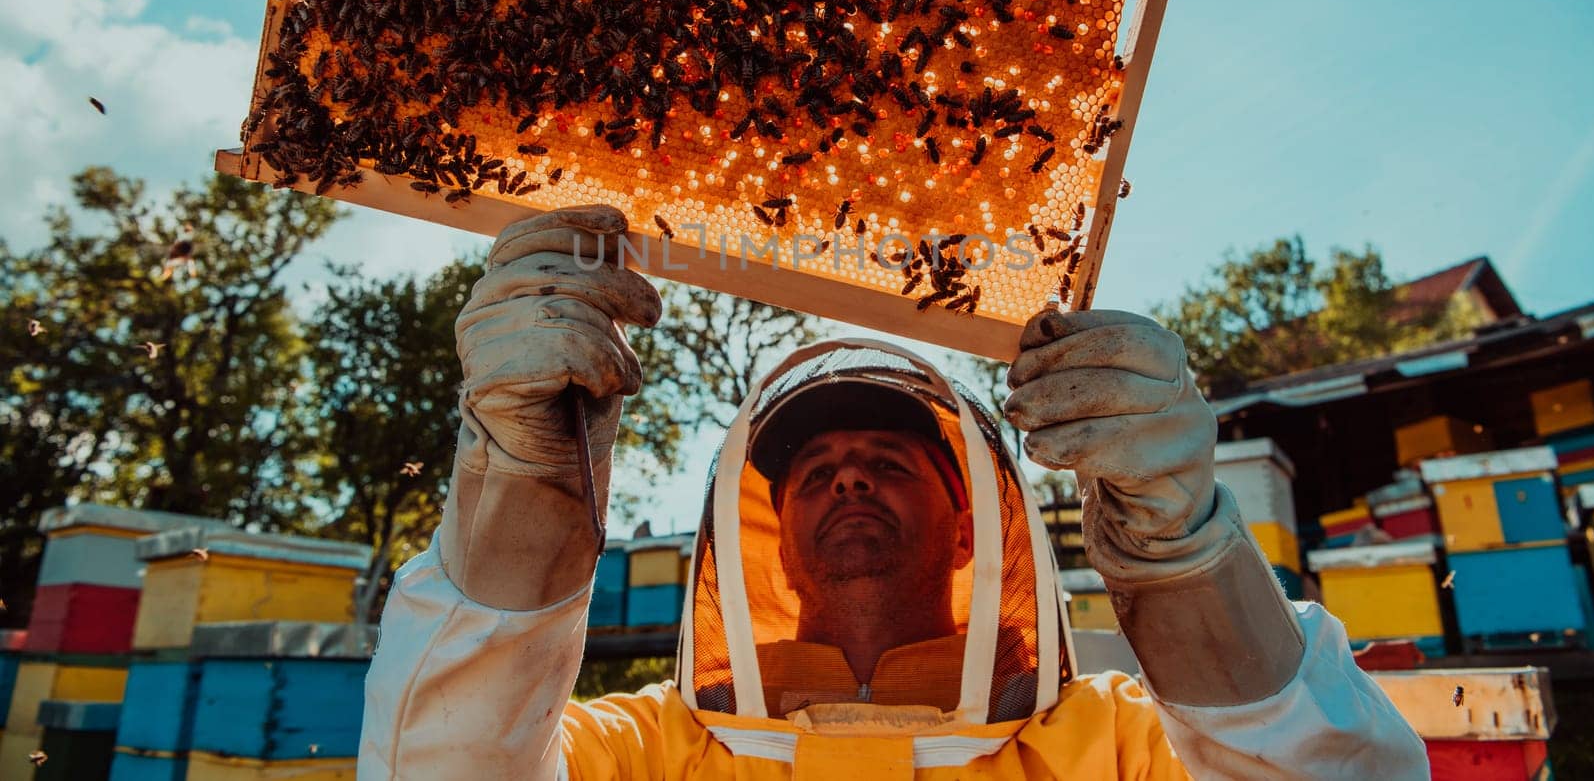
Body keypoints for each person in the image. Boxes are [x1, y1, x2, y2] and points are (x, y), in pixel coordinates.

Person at [360, 206, 1427, 780]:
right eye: (815, 472)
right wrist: (518, 493)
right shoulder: (649, 752)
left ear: (971, 521)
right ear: (767, 541)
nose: (849, 475)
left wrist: (1182, 543)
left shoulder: (1118, 746)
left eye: (887, 457)